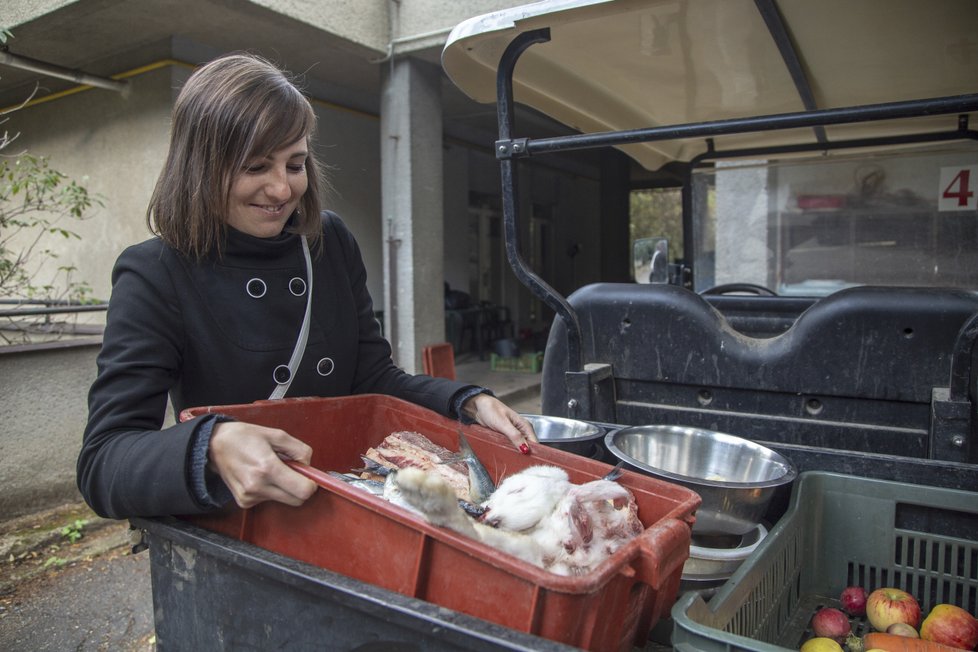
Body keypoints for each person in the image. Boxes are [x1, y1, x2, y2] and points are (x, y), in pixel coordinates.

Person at [77, 52, 537, 520]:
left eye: (294, 165)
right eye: (255, 167)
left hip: (344, 502)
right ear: (200, 167)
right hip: (239, 530)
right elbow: (103, 461)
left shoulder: (328, 241)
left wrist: (466, 400)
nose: (281, 190)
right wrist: (209, 443)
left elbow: (372, 379)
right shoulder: (155, 271)